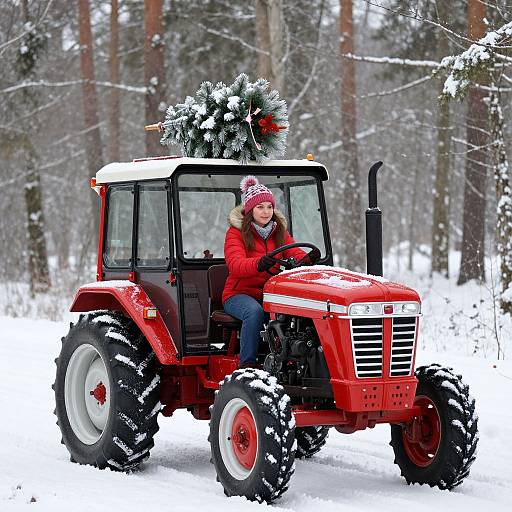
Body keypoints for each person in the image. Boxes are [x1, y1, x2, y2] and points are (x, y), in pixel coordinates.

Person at [222, 175, 319, 368]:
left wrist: (307, 259)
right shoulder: (236, 233)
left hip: (270, 295)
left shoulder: (279, 231)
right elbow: (235, 264)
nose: (266, 212)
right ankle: (247, 366)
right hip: (239, 294)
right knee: (254, 312)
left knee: (297, 313)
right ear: (250, 210)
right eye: (260, 207)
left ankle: (293, 362)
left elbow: (294, 250)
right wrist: (259, 264)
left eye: (269, 206)